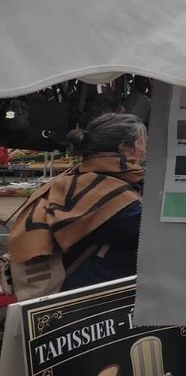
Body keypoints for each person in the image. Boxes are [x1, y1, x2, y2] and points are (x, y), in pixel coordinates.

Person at [6, 113, 146, 293]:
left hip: (83, 289)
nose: (144, 148)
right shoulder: (105, 192)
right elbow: (147, 231)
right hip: (92, 297)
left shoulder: (80, 178)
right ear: (126, 147)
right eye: (142, 141)